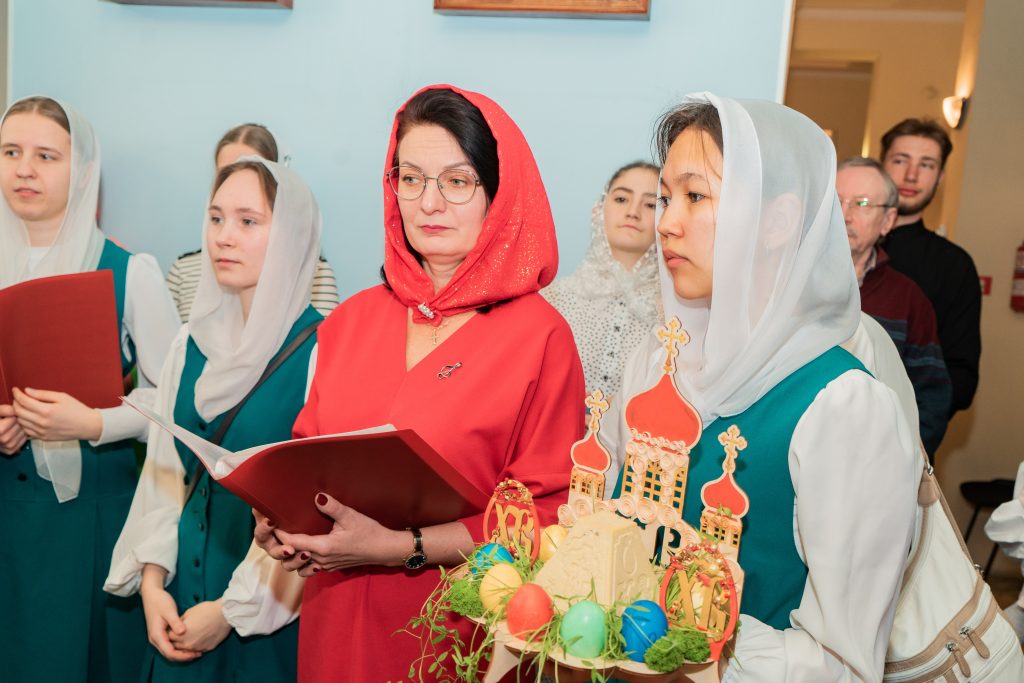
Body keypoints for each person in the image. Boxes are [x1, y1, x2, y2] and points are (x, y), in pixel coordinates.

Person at [253, 84, 585, 682]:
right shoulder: (350, 321)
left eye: (457, 181)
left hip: (455, 633)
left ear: (499, 195)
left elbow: (550, 514)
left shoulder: (540, 336)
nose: (429, 202)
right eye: (410, 179)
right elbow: (308, 458)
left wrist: (405, 545)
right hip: (333, 622)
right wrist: (283, 519)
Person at [609, 94, 919, 680]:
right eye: (667, 197)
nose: (666, 222)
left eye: (696, 196)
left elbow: (842, 660)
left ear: (777, 221)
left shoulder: (843, 404)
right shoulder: (656, 360)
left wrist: (692, 645)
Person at [105, 157, 322, 682]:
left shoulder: (320, 353)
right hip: (179, 602)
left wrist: (229, 612)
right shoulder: (190, 344)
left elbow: (314, 512)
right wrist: (152, 582)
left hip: (264, 622)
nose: (224, 236)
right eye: (216, 217)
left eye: (249, 221)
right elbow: (164, 474)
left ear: (290, 236)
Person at [0, 96, 179, 682]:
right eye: (10, 152)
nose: (25, 169)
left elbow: (174, 403)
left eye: (46, 156)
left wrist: (94, 423)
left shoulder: (129, 270)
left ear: (82, 172)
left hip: (92, 521)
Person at [837, 155, 951, 457]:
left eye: (861, 204)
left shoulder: (908, 299)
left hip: (877, 461)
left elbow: (932, 396)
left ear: (887, 221)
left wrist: (901, 460)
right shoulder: (787, 284)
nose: (844, 215)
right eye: (835, 200)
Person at [165, 123, 339, 321]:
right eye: (226, 172)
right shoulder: (183, 271)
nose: (237, 179)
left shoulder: (315, 274)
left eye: (252, 168)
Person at [881, 118, 981, 416]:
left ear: (940, 177)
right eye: (901, 160)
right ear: (881, 166)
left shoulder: (955, 266)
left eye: (926, 165)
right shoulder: (839, 244)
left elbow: (961, 379)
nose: (911, 175)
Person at [542, 161, 661, 399]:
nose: (633, 212)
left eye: (651, 204)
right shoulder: (552, 301)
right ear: (599, 209)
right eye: (621, 199)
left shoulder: (672, 317)